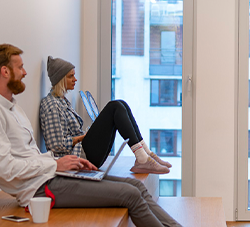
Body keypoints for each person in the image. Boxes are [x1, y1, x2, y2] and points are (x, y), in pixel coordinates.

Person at [0, 44, 238, 227]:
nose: (25, 72)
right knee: (129, 195)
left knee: (136, 185)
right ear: (4, 71)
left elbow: (29, 156)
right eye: (20, 67)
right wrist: (54, 165)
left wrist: (57, 164)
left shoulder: (14, 108)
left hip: (52, 174)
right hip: (39, 189)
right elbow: (6, 170)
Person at [40, 56, 169, 175]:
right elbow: (56, 144)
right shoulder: (51, 105)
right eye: (71, 76)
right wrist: (83, 137)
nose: (75, 79)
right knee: (114, 106)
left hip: (85, 153)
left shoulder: (62, 101)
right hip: (80, 156)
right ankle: (142, 158)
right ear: (61, 79)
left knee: (121, 103)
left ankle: (146, 154)